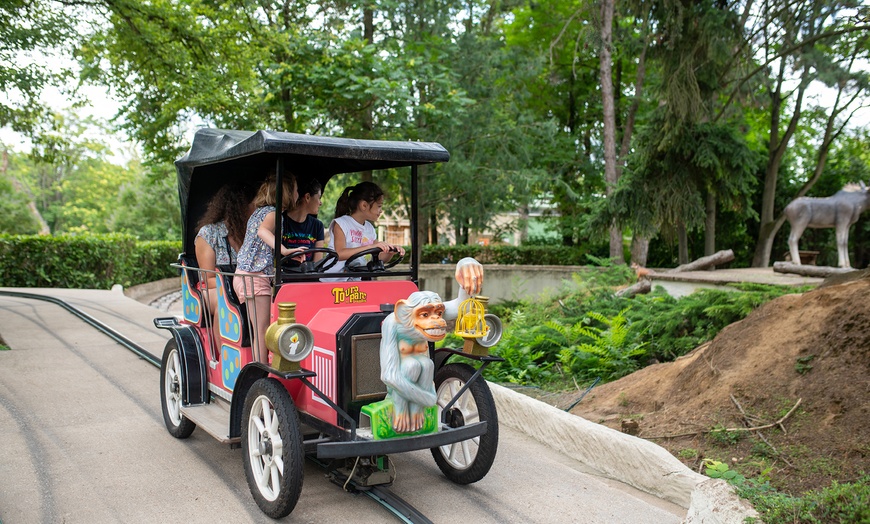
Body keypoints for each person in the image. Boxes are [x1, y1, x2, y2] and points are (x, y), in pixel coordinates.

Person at [234, 173, 306, 363]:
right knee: (263, 329)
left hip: (247, 274)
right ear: (287, 193)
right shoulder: (273, 213)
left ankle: (261, 368)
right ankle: (261, 372)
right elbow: (262, 232)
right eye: (297, 190)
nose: (299, 193)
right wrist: (284, 250)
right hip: (253, 277)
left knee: (261, 328)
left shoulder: (262, 211)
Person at [193, 182, 254, 354]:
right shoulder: (208, 234)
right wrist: (237, 285)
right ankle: (224, 359)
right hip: (212, 289)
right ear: (240, 207)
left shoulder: (250, 235)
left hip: (242, 286)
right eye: (254, 207)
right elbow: (208, 278)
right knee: (224, 303)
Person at [325, 181, 405, 279]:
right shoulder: (341, 223)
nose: (381, 211)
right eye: (379, 206)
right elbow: (340, 254)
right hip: (333, 282)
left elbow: (379, 257)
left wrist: (390, 252)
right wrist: (370, 246)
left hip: (356, 283)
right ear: (364, 205)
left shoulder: (369, 228)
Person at [282, 177, 325, 262]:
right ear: (308, 197)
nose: (320, 202)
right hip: (282, 274)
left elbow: (317, 264)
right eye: (319, 197)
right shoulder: (280, 220)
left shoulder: (318, 226)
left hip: (307, 274)